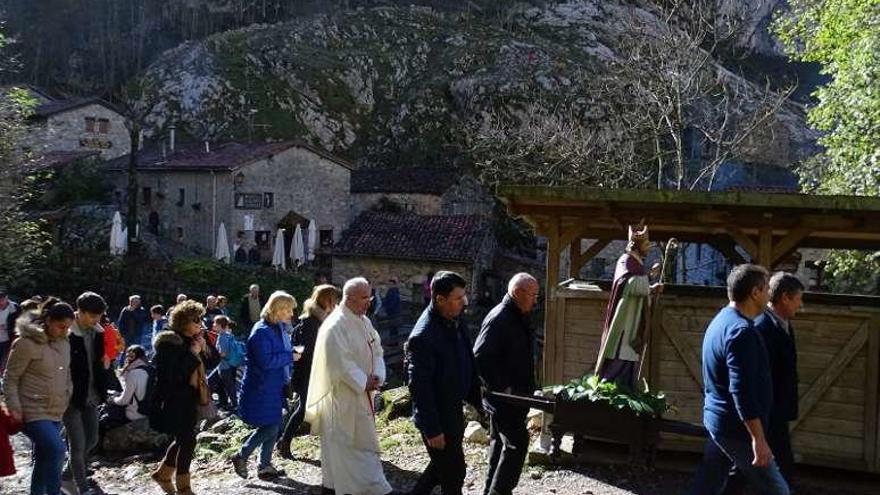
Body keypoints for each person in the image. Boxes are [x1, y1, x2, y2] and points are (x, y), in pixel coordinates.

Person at [687, 264, 789, 495]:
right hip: (735, 429)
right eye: (766, 290)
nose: (769, 297)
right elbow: (741, 390)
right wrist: (758, 439)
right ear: (755, 292)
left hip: (718, 420)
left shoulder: (721, 320)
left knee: (708, 485)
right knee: (778, 490)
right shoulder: (741, 331)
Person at [305, 277, 393, 495]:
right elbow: (341, 363)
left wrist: (378, 377)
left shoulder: (364, 321)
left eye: (369, 297)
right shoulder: (335, 325)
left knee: (361, 453)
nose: (368, 302)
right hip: (341, 401)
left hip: (362, 397)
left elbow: (377, 350)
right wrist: (364, 381)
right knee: (345, 454)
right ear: (349, 298)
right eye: (364, 298)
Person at [724, 272, 805, 495]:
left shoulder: (782, 323)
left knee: (751, 466)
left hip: (776, 411)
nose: (801, 304)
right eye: (799, 298)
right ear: (786, 298)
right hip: (767, 411)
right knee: (767, 467)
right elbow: (754, 375)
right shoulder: (762, 327)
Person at [406, 271, 481, 495]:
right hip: (437, 415)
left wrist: (477, 400)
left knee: (441, 469)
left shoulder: (454, 320)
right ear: (439, 299)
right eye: (458, 298)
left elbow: (467, 359)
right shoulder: (423, 336)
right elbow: (420, 387)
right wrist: (432, 429)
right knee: (454, 473)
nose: (464, 302)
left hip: (453, 409)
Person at [474, 273, 539, 495]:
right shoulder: (500, 317)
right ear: (518, 293)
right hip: (504, 399)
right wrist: (502, 387)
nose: (535, 300)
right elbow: (480, 355)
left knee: (500, 445)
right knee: (517, 443)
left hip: (514, 397)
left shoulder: (518, 314)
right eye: (533, 294)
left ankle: (490, 491)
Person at [3, 298, 74, 495]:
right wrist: (14, 407)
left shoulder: (64, 342)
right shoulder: (26, 343)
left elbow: (66, 373)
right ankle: (54, 492)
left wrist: (68, 393)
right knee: (58, 450)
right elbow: (10, 378)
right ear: (49, 320)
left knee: (45, 456)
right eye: (61, 326)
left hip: (56, 410)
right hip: (31, 409)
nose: (64, 331)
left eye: (68, 327)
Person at [231, 291, 297, 480]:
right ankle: (241, 455)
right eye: (289, 310)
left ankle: (264, 465)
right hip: (260, 389)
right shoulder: (261, 331)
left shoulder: (277, 327)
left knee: (274, 424)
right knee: (270, 427)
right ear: (279, 310)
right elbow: (265, 362)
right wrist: (290, 356)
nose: (292, 314)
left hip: (272, 387)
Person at [150, 300, 208, 495]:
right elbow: (173, 375)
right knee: (188, 440)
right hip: (173, 400)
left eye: (201, 319)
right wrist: (193, 353)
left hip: (189, 399)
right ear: (184, 321)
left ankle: (163, 474)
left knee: (184, 439)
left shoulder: (193, 339)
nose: (200, 323)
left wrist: (203, 347)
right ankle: (184, 487)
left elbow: (213, 361)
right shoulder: (168, 343)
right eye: (196, 320)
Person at [595, 222, 661, 389]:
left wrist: (651, 288)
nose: (649, 247)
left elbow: (639, 287)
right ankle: (609, 389)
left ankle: (626, 389)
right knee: (620, 356)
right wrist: (649, 278)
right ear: (637, 246)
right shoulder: (626, 260)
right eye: (646, 244)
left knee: (629, 356)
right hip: (624, 321)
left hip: (634, 319)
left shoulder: (637, 262)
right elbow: (628, 284)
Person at [278, 284, 339, 459]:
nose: (335, 304)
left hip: (314, 373)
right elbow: (306, 351)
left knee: (311, 409)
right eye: (333, 300)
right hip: (307, 374)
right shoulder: (311, 323)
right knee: (302, 410)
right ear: (326, 301)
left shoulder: (318, 320)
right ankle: (284, 443)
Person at [64, 292, 110, 495]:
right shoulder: (66, 332)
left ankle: (65, 475)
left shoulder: (97, 331)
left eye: (99, 316)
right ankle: (82, 487)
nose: (96, 320)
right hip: (70, 396)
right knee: (78, 444)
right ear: (79, 312)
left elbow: (97, 362)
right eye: (92, 316)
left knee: (91, 439)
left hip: (91, 394)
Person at [110, 345, 150, 422]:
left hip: (134, 413)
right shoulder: (150, 370)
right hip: (148, 411)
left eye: (130, 356)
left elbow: (124, 401)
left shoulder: (133, 373)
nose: (127, 359)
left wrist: (113, 399)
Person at [212, 315, 239, 412]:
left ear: (220, 325)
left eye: (215, 323)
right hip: (231, 364)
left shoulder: (222, 337)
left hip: (224, 366)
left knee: (229, 386)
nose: (213, 325)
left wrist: (214, 354)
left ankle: (235, 404)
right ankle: (227, 402)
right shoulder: (229, 335)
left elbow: (223, 353)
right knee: (228, 385)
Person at [117, 295, 149, 361]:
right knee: (125, 351)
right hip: (126, 334)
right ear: (130, 302)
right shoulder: (125, 310)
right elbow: (120, 322)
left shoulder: (141, 310)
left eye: (137, 301)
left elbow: (140, 319)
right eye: (134, 301)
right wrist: (121, 333)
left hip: (137, 334)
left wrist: (133, 311)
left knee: (136, 351)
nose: (136, 303)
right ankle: (122, 365)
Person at [0, 288, 21, 373]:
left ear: (6, 298)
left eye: (2, 300)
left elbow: (20, 323)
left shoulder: (15, 308)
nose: (0, 303)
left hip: (9, 339)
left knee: (5, 363)